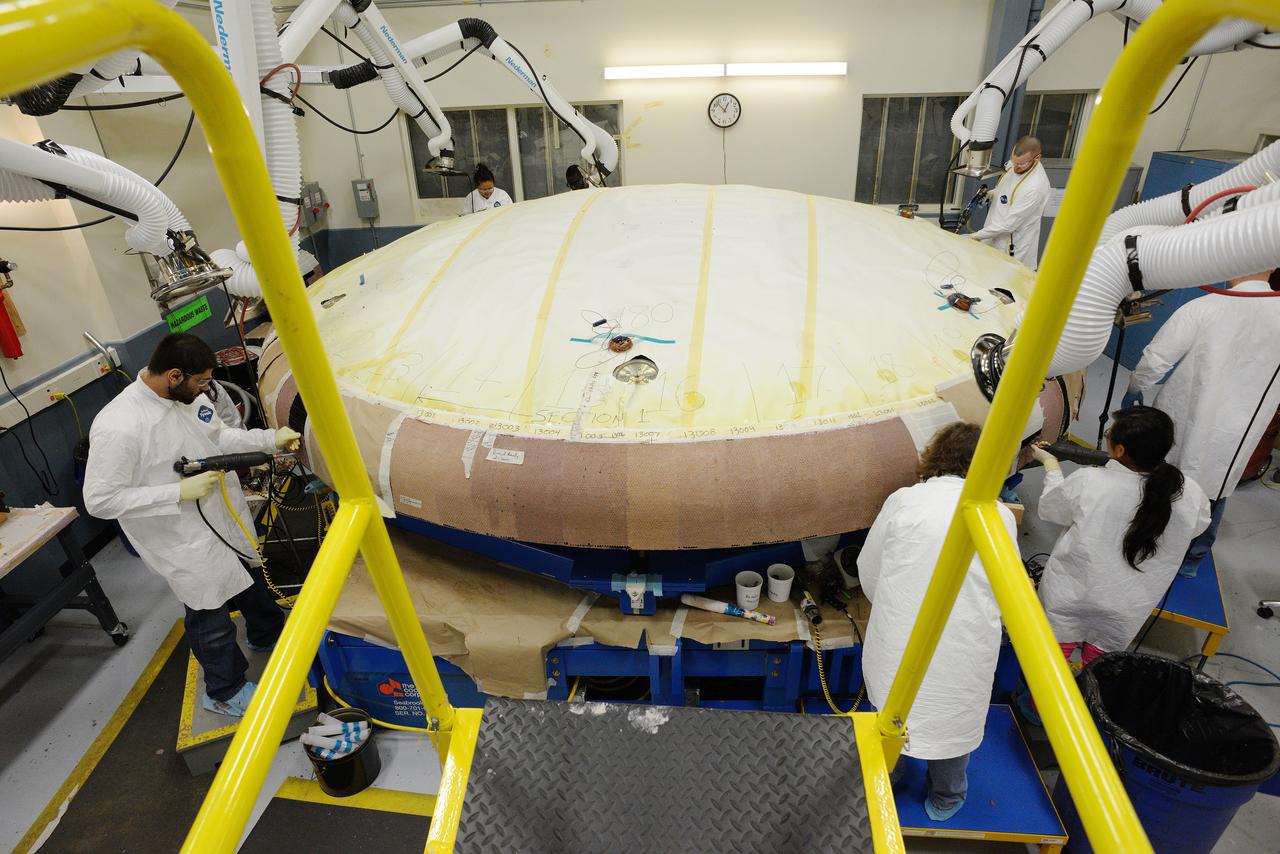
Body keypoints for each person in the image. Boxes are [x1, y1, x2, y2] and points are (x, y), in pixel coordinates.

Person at [84, 333, 302, 717]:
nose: (207, 389)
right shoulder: (119, 425)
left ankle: (267, 634)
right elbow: (100, 501)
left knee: (248, 572)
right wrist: (176, 493)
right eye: (200, 381)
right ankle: (224, 690)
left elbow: (220, 436)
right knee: (210, 610)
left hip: (222, 512)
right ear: (173, 375)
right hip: (180, 536)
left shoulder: (190, 398)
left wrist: (270, 439)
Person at [859, 422, 1017, 821]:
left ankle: (886, 784)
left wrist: (894, 603)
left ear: (935, 456)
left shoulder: (904, 501)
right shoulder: (999, 515)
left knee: (890, 718)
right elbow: (1006, 587)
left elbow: (869, 570)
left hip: (900, 645)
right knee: (953, 725)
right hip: (966, 648)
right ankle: (947, 796)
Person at [1124, 268, 1280, 577]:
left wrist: (1135, 388)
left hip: (1187, 413)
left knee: (1166, 474)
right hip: (1241, 428)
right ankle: (1192, 559)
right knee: (1216, 487)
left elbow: (1157, 358)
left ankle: (1144, 541)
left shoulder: (1207, 306)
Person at [1030, 407, 1210, 666]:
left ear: (1120, 450)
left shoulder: (1090, 481)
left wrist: (1051, 466)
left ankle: (1038, 704)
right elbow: (1198, 525)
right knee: (1102, 670)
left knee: (1050, 665)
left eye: (1108, 434)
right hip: (1127, 605)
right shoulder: (1189, 491)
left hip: (1072, 596)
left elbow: (1052, 509)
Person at [968, 136, 1052, 269]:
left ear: (1037, 158)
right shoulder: (1015, 164)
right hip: (993, 234)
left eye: (1021, 164)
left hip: (1012, 247)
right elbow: (1007, 189)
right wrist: (990, 195)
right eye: (1014, 161)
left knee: (1004, 284)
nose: (1016, 167)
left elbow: (1008, 225)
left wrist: (975, 236)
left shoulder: (1035, 187)